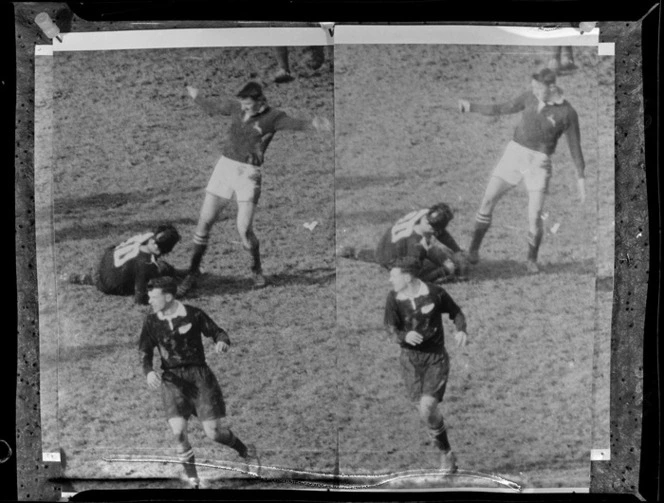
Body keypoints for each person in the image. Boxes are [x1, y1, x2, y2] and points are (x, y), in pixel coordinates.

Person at [178, 81, 332, 295]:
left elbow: (295, 124)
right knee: (204, 222)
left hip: (248, 175)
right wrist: (196, 96)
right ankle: (192, 273)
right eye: (242, 104)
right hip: (225, 168)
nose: (244, 109)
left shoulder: (273, 117)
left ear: (260, 101)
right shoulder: (236, 107)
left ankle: (256, 268)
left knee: (243, 229)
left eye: (248, 105)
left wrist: (314, 124)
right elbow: (213, 108)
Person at [458, 67, 586, 273]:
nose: (534, 90)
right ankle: (473, 251)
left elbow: (575, 146)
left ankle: (531, 259)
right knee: (488, 199)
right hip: (514, 154)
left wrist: (581, 178)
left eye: (538, 87)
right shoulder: (529, 97)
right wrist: (471, 106)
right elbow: (501, 108)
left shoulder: (567, 113)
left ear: (551, 87)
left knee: (534, 216)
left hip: (539, 163)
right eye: (533, 86)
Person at [139, 276, 256, 488]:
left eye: (153, 297)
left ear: (168, 296)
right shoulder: (151, 322)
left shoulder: (193, 314)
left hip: (199, 378)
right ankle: (193, 480)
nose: (149, 301)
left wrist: (222, 342)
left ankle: (245, 451)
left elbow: (218, 332)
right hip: (172, 381)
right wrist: (148, 371)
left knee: (213, 433)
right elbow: (144, 351)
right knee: (178, 433)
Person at [384, 256, 468, 472]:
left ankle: (446, 455)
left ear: (408, 276)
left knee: (427, 407)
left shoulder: (435, 293)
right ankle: (446, 450)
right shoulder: (394, 298)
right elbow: (390, 329)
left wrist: (460, 329)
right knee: (424, 412)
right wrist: (404, 335)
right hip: (410, 362)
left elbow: (456, 312)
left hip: (435, 359)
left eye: (393, 275)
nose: (389, 280)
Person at [339, 203, 469, 283]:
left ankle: (353, 252)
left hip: (386, 245)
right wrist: (445, 271)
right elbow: (413, 280)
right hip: (394, 256)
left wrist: (457, 250)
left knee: (433, 251)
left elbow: (440, 233)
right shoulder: (417, 244)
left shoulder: (424, 214)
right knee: (421, 267)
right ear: (433, 228)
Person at [64, 224, 181, 305]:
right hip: (108, 284)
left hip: (101, 263)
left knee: (136, 268)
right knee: (160, 272)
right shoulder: (146, 264)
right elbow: (140, 299)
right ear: (160, 250)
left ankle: (85, 278)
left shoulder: (148, 236)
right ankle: (183, 274)